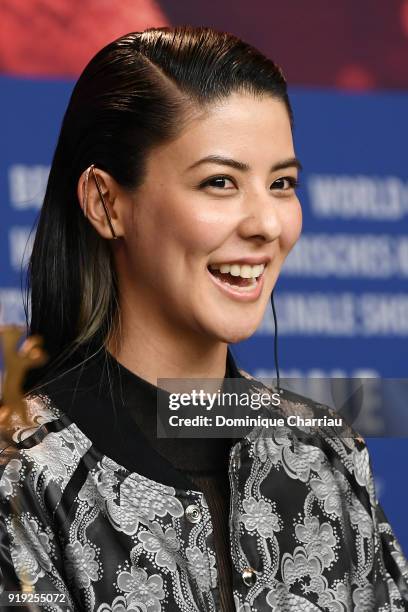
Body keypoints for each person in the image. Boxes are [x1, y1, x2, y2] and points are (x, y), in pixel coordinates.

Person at [0, 26, 407, 612]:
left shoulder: (327, 454)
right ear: (105, 203)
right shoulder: (22, 473)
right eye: (220, 182)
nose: (267, 224)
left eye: (282, 184)